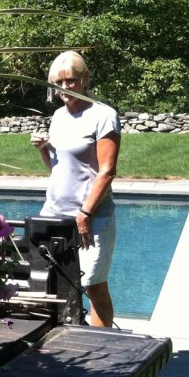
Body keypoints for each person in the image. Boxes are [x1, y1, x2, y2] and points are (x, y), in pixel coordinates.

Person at [31, 51, 121, 327]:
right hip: (54, 213)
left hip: (92, 217)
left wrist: (85, 214)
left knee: (94, 287)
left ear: (85, 79)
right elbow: (58, 169)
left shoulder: (104, 115)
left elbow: (107, 171)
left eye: (70, 80)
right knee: (49, 283)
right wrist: (43, 149)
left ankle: (104, 352)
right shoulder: (58, 116)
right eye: (58, 83)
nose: (64, 88)